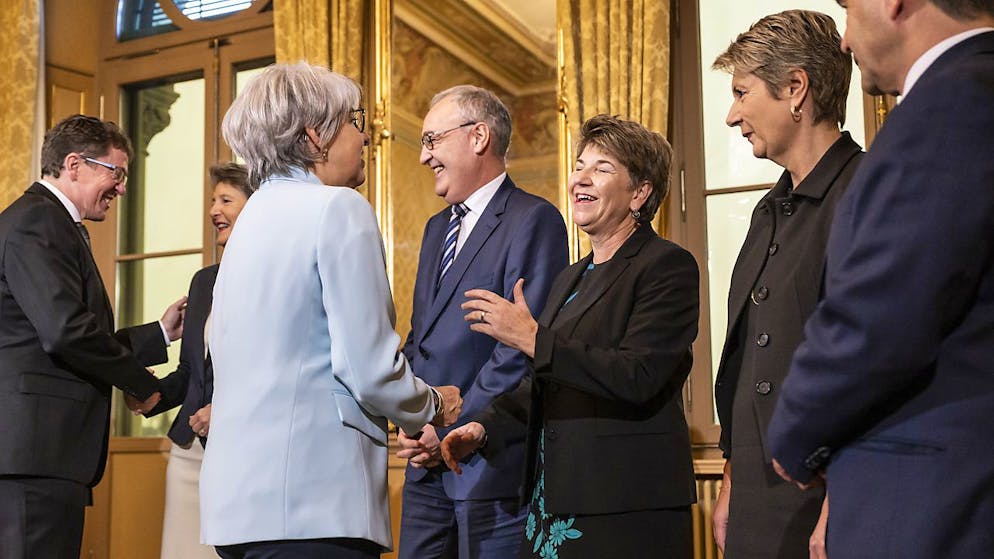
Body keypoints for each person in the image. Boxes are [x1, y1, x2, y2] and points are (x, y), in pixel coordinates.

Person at [198, 62, 462, 559]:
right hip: (313, 499)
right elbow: (369, 369)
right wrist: (435, 406)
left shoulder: (250, 219)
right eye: (355, 122)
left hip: (237, 507)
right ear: (315, 135)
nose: (364, 138)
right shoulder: (337, 209)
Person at [767, 2, 994, 557]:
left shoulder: (953, 100)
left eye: (847, 8)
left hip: (931, 503)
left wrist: (793, 436)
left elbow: (878, 316)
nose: (845, 40)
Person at [441, 114, 700, 559]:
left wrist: (533, 339)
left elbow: (637, 375)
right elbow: (547, 381)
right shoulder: (569, 279)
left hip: (623, 506)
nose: (581, 177)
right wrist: (484, 426)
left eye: (601, 168)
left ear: (640, 192)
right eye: (580, 165)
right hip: (553, 501)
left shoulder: (667, 266)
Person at [709, 10, 863, 559]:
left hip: (831, 500)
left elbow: (878, 367)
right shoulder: (766, 211)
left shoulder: (867, 193)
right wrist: (731, 480)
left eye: (741, 92)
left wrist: (844, 500)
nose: (732, 115)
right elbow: (749, 361)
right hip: (754, 498)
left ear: (795, 88)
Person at [0, 114, 186, 558]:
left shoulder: (48, 222)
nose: (122, 188)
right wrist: (143, 384)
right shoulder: (37, 222)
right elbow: (66, 333)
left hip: (44, 456)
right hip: (34, 456)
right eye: (116, 172)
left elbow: (70, 333)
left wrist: (159, 334)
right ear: (74, 164)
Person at [396, 84, 568, 559]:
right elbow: (421, 337)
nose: (424, 156)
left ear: (477, 137)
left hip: (487, 462)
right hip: (424, 465)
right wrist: (411, 417)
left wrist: (458, 421)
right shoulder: (436, 229)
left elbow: (519, 349)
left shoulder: (534, 219)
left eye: (432, 140)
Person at [141, 162, 255, 559]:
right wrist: (151, 393)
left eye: (226, 200)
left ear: (256, 208)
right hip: (189, 452)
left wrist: (223, 410)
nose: (213, 211)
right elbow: (190, 371)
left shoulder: (271, 276)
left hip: (244, 447)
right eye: (212, 200)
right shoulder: (204, 280)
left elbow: (270, 367)